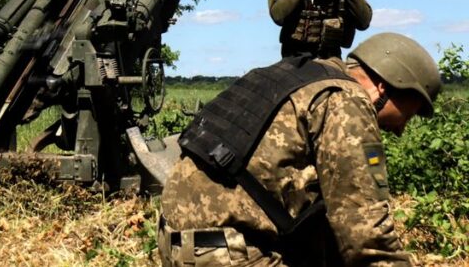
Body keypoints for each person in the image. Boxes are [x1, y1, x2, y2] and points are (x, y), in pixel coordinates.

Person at [158, 32, 441, 267]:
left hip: (180, 240)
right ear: (384, 87)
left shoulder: (301, 78)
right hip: (227, 252)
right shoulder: (348, 101)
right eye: (410, 113)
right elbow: (365, 234)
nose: (402, 129)